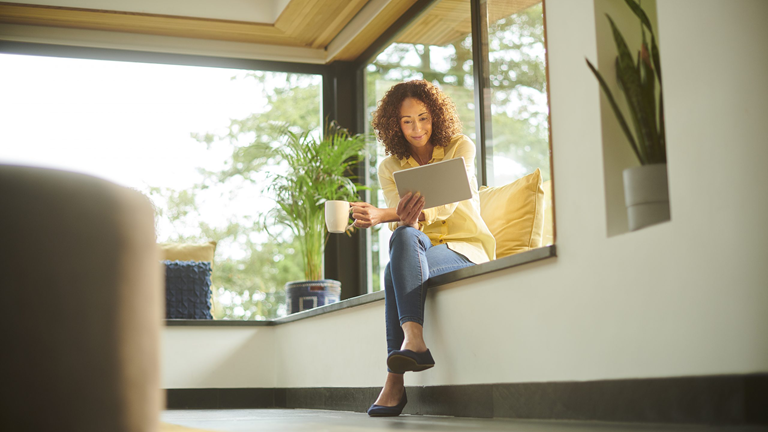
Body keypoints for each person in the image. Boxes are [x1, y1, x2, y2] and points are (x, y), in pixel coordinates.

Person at [350, 80, 495, 417]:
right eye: (407, 121)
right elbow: (403, 223)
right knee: (402, 238)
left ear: (436, 115)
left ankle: (393, 382)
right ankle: (414, 341)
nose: (417, 128)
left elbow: (450, 199)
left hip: (465, 245)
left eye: (424, 118)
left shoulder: (461, 146)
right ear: (394, 125)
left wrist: (384, 214)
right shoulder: (390, 166)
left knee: (391, 272)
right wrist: (397, 217)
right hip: (420, 244)